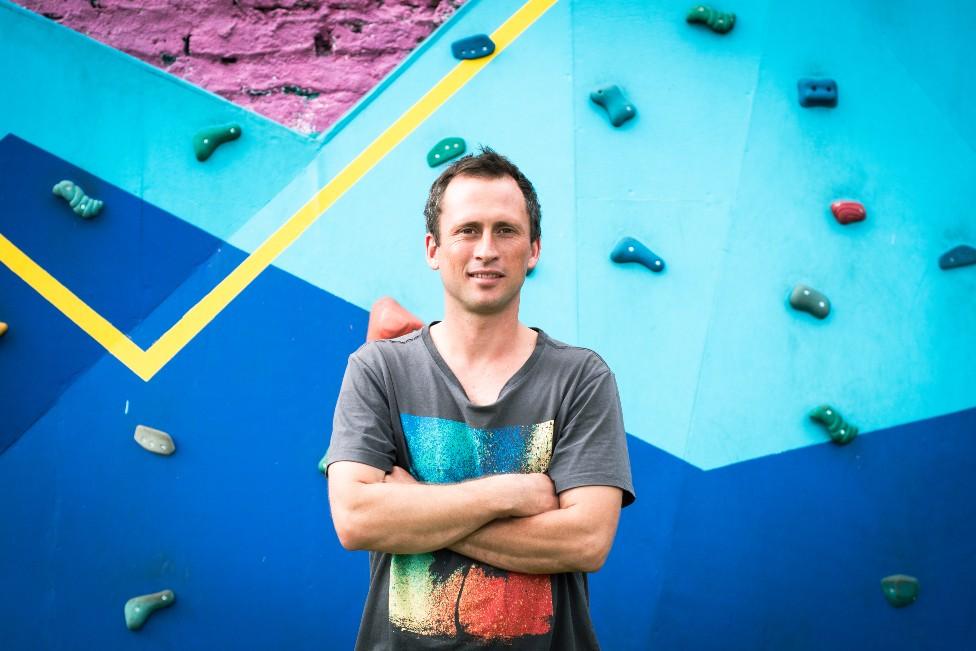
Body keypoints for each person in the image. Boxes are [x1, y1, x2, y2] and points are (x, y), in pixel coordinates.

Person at [325, 148, 635, 650]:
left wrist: (412, 508)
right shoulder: (379, 370)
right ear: (433, 249)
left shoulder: (581, 378)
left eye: (505, 230)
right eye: (468, 230)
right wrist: (507, 496)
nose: (486, 249)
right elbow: (356, 520)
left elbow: (586, 541)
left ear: (533, 249)